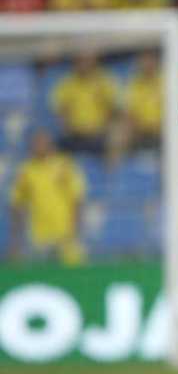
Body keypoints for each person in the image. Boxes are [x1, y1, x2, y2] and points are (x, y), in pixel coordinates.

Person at [7, 130, 87, 266]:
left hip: (65, 235)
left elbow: (77, 199)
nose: (38, 147)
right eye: (35, 144)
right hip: (39, 237)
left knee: (74, 274)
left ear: (50, 144)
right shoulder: (26, 170)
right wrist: (17, 239)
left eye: (42, 143)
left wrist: (75, 232)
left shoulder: (65, 165)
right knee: (42, 277)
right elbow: (16, 203)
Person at [50, 49, 118, 155]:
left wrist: (104, 127)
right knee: (56, 145)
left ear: (94, 61)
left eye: (87, 60)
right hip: (74, 135)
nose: (83, 64)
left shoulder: (104, 81)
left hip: (98, 135)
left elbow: (113, 108)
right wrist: (67, 126)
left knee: (114, 140)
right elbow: (60, 110)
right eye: (80, 60)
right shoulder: (66, 83)